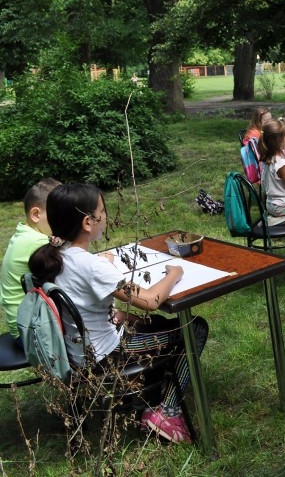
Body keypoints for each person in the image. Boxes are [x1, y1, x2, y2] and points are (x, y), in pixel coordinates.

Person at [27, 184, 209, 444]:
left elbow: (83, 295)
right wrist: (174, 274)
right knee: (194, 328)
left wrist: (105, 272)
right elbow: (150, 300)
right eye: (102, 212)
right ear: (88, 222)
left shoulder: (55, 256)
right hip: (109, 352)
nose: (106, 217)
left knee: (157, 324)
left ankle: (152, 393)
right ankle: (166, 413)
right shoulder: (92, 266)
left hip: (79, 350)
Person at [1, 178, 61, 346]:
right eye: (59, 214)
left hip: (21, 324)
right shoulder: (37, 243)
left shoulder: (24, 232)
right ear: (36, 214)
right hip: (31, 331)